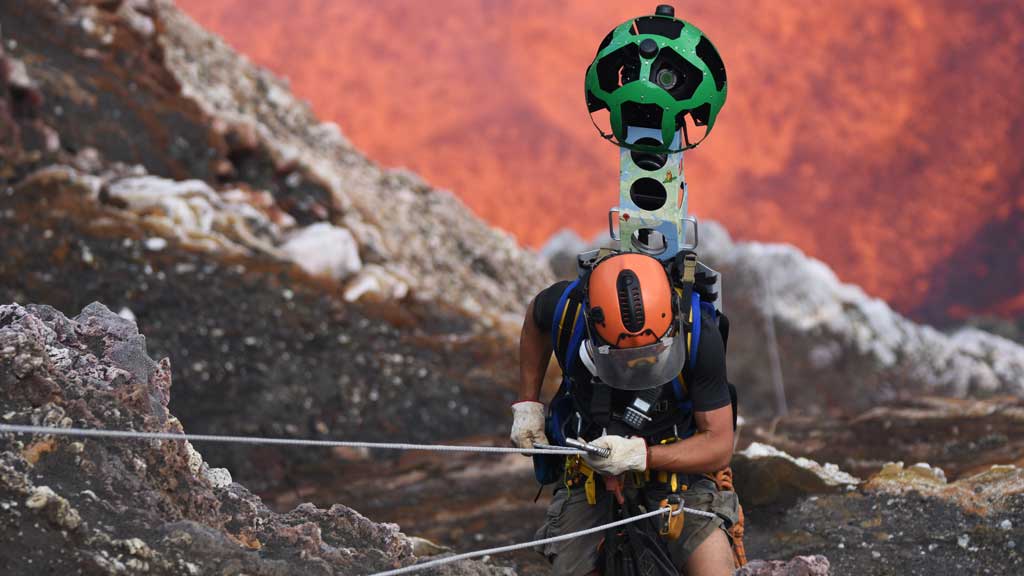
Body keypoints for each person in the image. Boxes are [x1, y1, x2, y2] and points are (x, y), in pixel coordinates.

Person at [512, 251, 738, 576]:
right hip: (588, 471)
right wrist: (528, 405)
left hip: (678, 474)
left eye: (651, 355)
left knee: (713, 569)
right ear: (593, 327)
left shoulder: (698, 334)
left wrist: (641, 456)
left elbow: (718, 444)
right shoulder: (569, 310)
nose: (636, 367)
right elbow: (536, 318)